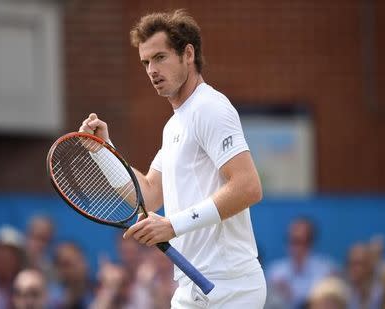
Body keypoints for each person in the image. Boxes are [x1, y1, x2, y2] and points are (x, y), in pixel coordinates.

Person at [79, 9, 265, 308]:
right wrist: (104, 150)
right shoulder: (175, 124)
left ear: (188, 54)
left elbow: (248, 187)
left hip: (230, 286)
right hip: (192, 286)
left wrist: (172, 226)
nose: (152, 69)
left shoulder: (210, 108)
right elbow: (149, 196)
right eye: (146, 62)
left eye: (160, 57)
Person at [266, 217, 336, 309]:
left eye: (299, 242)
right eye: (291, 241)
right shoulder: (275, 272)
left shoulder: (326, 271)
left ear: (311, 242)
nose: (294, 248)